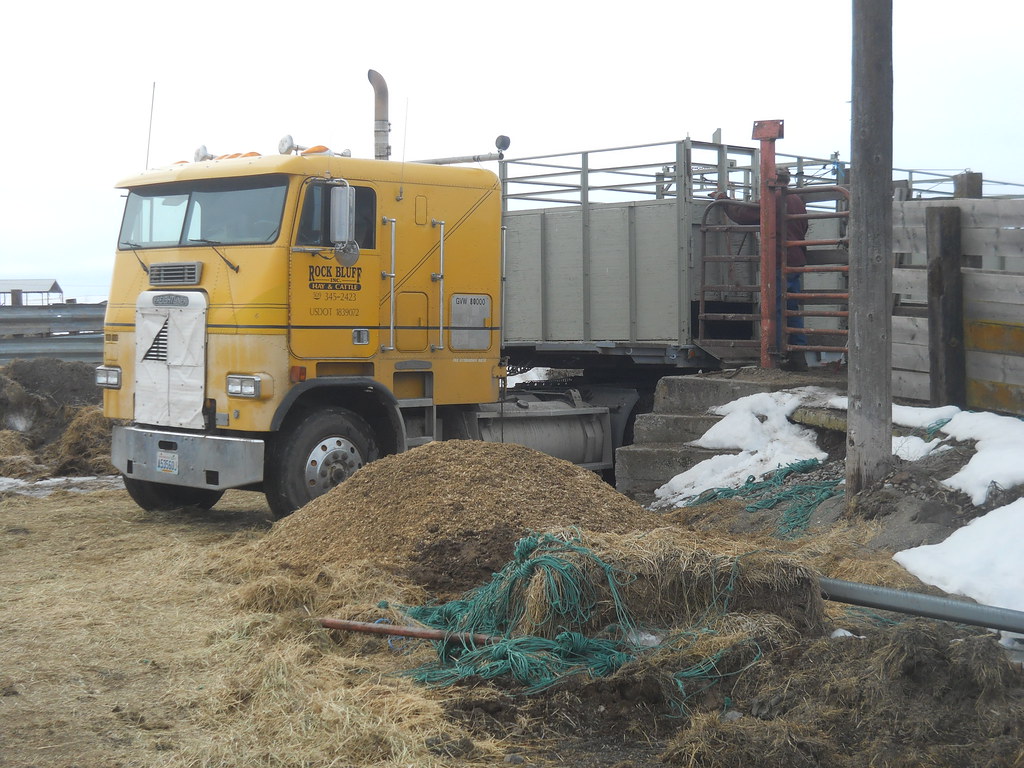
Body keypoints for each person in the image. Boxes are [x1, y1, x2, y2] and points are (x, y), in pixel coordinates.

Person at [716, 167, 809, 370]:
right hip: (795, 259)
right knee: (791, 308)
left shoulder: (774, 198)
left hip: (778, 261)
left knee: (773, 308)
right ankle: (797, 354)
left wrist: (723, 199)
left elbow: (743, 215)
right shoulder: (796, 199)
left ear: (772, 179)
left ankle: (776, 354)